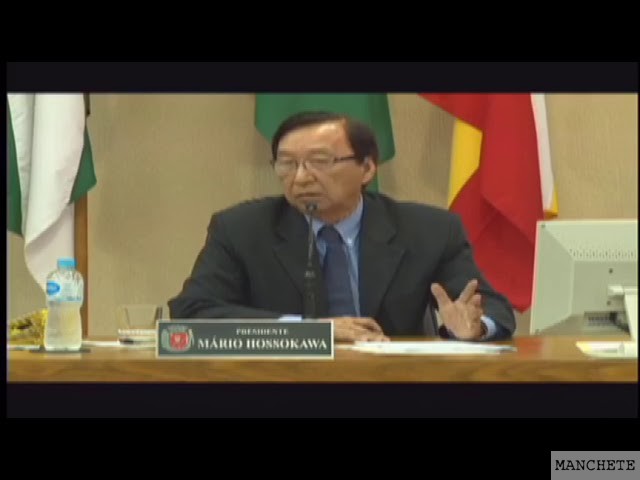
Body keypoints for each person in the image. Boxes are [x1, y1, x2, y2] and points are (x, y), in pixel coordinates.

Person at [168, 111, 516, 342]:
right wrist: (309, 332)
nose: (300, 178)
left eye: (320, 162)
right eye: (287, 164)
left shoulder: (430, 230)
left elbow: (493, 309)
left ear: (367, 168)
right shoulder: (241, 229)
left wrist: (474, 328)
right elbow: (193, 310)